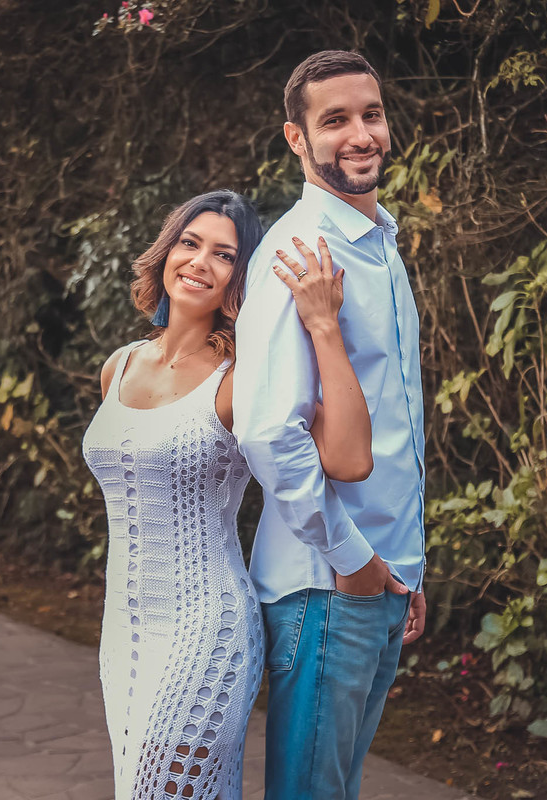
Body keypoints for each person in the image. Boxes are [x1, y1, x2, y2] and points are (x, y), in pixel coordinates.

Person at [82, 189, 374, 799]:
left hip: (204, 628)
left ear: (239, 281)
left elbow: (348, 457)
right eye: (189, 243)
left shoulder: (241, 381)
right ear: (166, 252)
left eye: (223, 255)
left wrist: (323, 326)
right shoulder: (120, 365)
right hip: (126, 631)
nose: (198, 262)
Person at [232, 50, 429, 799]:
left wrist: (403, 565)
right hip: (327, 584)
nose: (360, 134)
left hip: (380, 575)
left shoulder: (380, 240)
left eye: (370, 114)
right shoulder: (298, 254)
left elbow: (396, 421)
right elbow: (266, 432)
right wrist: (353, 559)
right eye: (335, 119)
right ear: (296, 138)